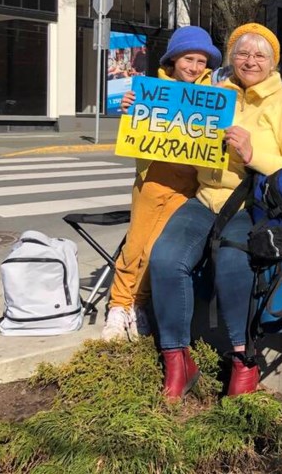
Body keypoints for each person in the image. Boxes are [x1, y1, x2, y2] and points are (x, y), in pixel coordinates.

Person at [148, 23, 282, 402]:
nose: (249, 61)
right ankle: (177, 359)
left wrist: (255, 155)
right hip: (206, 198)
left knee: (232, 261)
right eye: (242, 53)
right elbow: (170, 110)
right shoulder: (215, 94)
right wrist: (139, 110)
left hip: (252, 205)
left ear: (274, 62)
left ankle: (244, 357)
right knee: (165, 259)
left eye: (259, 55)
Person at [101, 26, 222, 342]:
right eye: (188, 59)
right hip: (153, 179)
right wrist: (130, 107)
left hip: (189, 187)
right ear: (174, 59)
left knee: (157, 249)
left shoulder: (213, 94)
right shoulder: (152, 89)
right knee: (136, 244)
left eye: (200, 61)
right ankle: (118, 307)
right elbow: (136, 133)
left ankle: (138, 305)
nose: (194, 67)